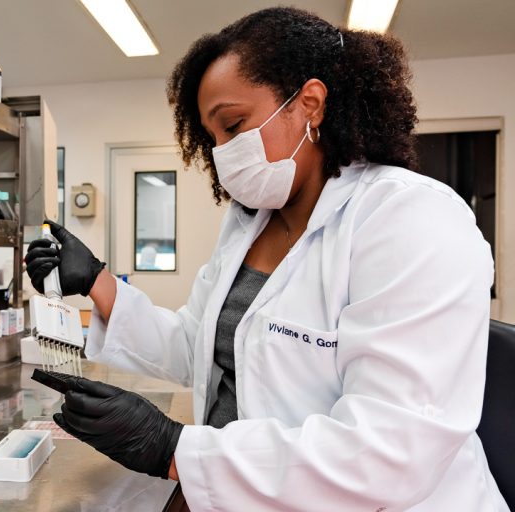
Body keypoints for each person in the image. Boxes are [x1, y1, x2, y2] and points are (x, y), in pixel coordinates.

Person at [25, 7, 507, 511]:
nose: (222, 153)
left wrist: (172, 448)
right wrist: (97, 281)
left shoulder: (410, 218)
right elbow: (200, 346)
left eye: (234, 125)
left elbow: (388, 451)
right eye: (212, 138)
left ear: (311, 104)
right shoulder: (249, 223)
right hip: (242, 488)